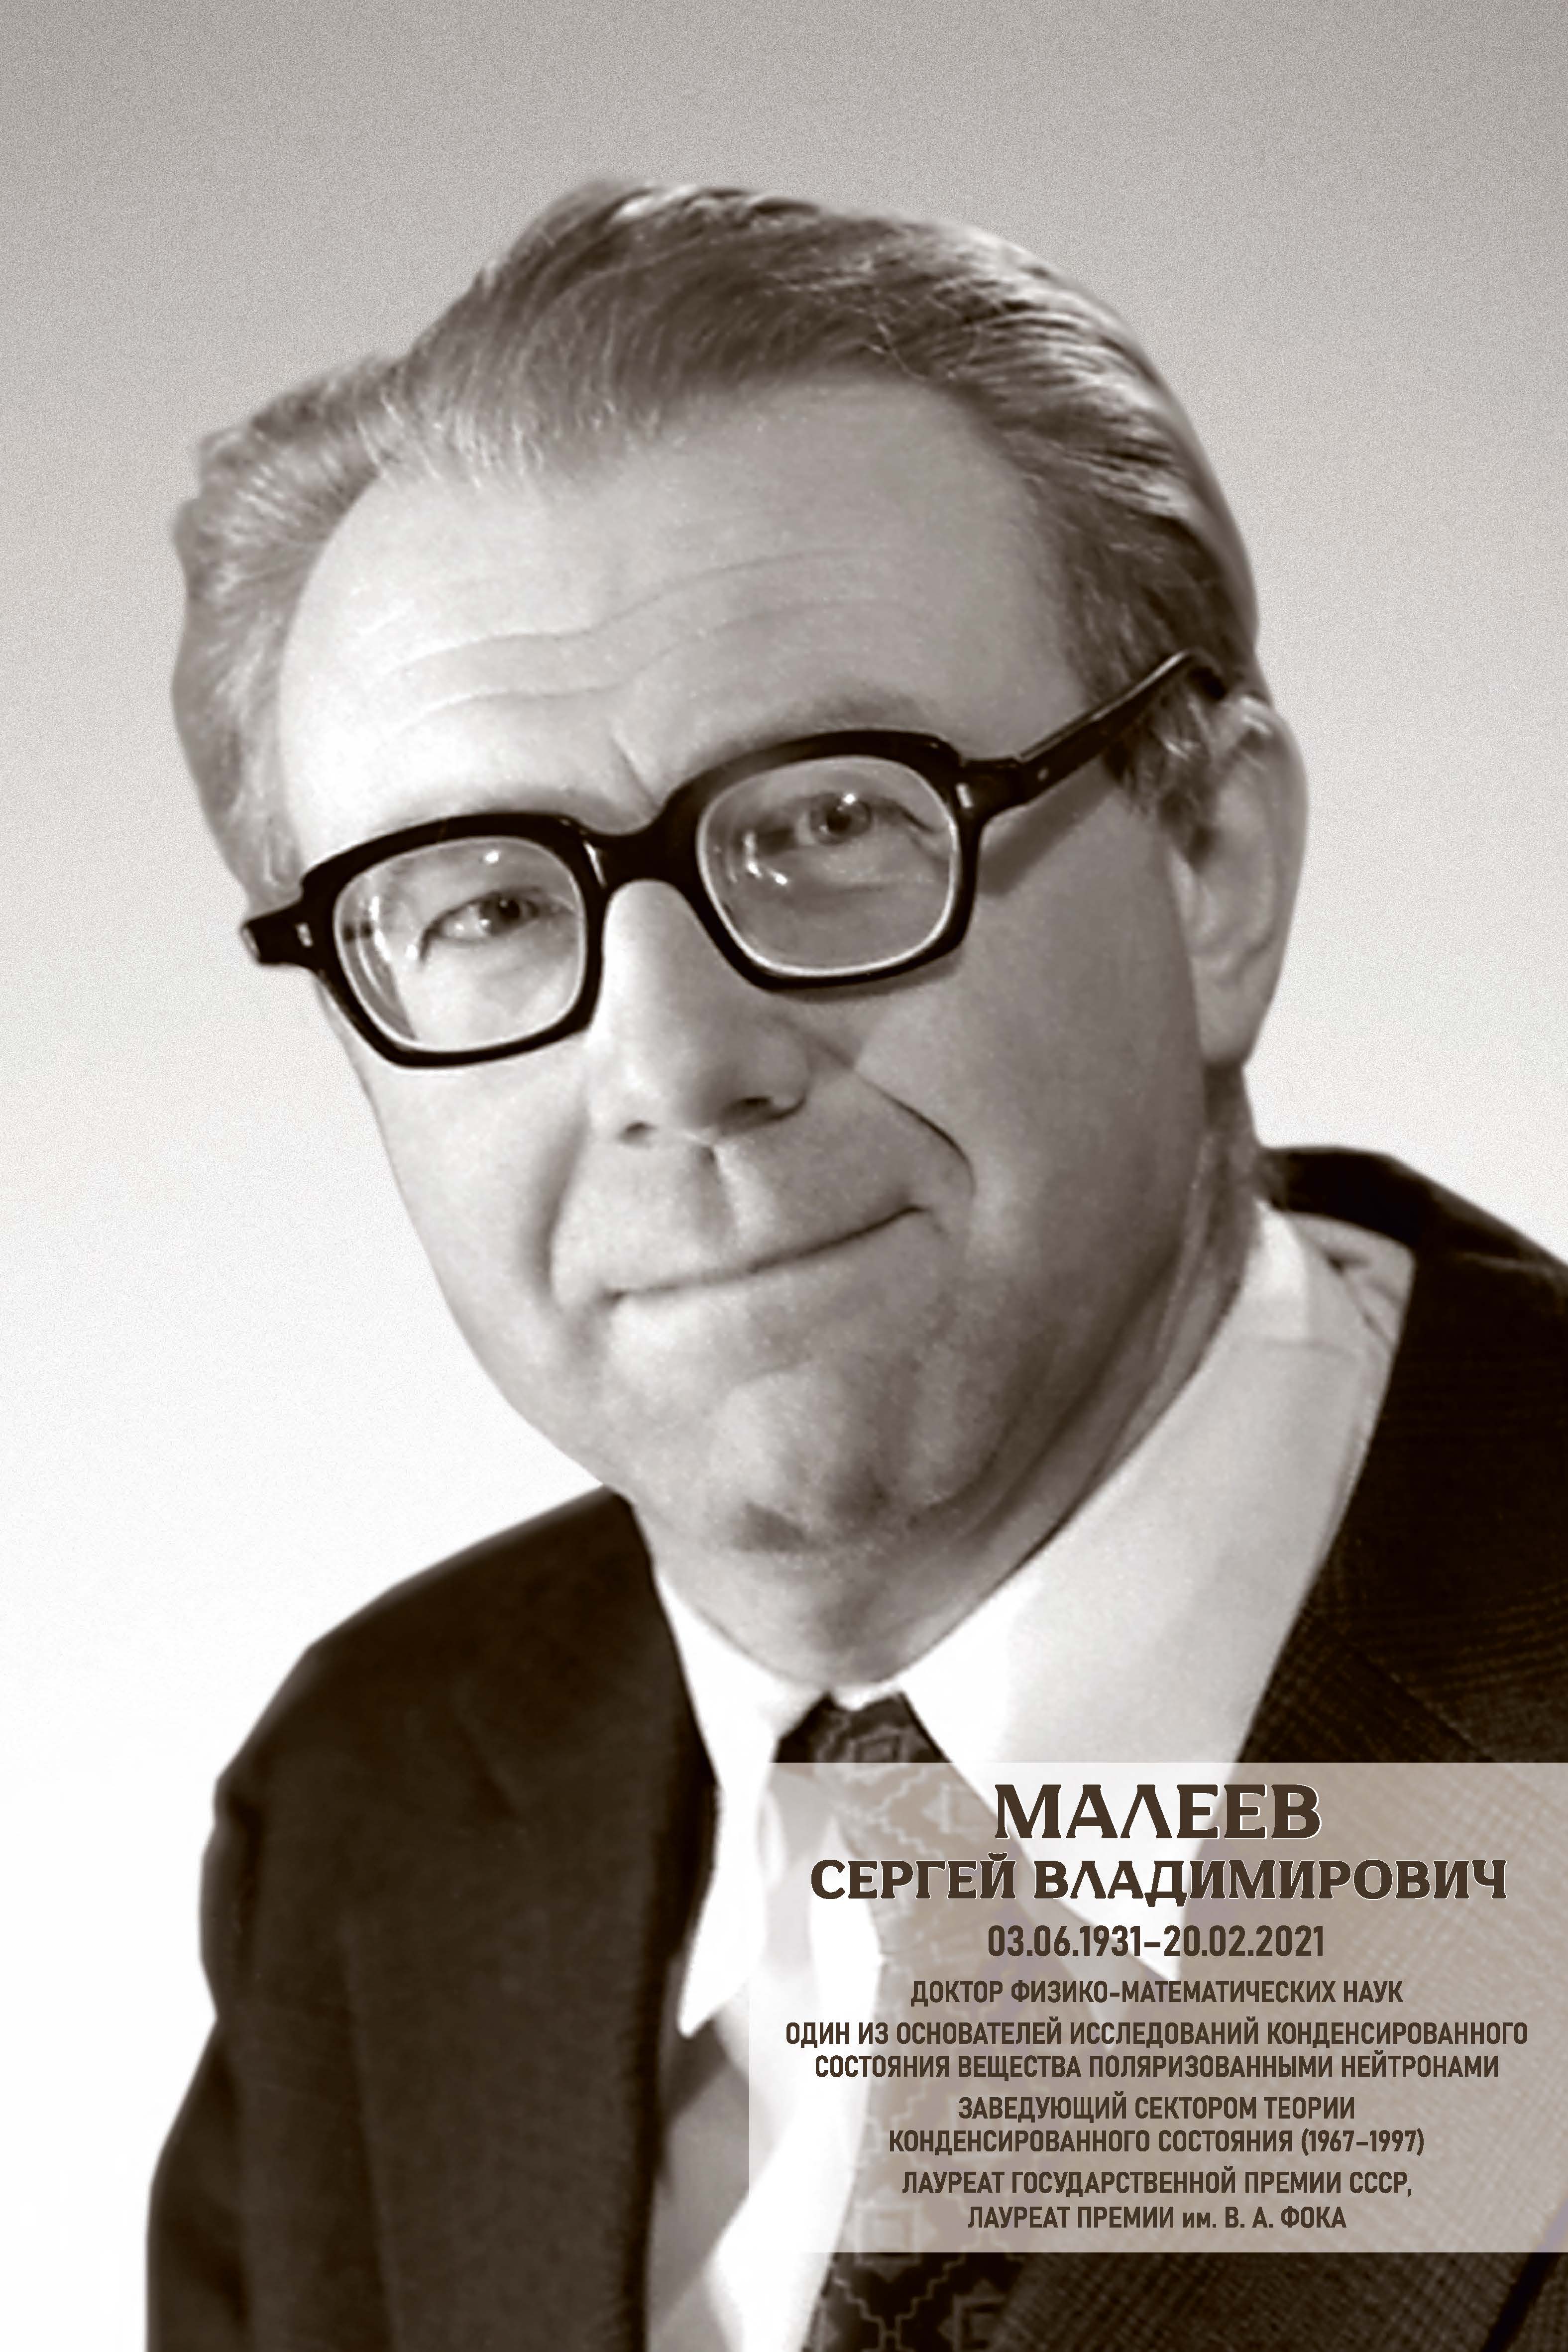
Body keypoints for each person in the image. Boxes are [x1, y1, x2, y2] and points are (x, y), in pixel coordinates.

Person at [149, 182, 1567, 2352]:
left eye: (828, 824)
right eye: (485, 907)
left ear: (1210, 864)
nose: (676, 1065)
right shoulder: (369, 1812)